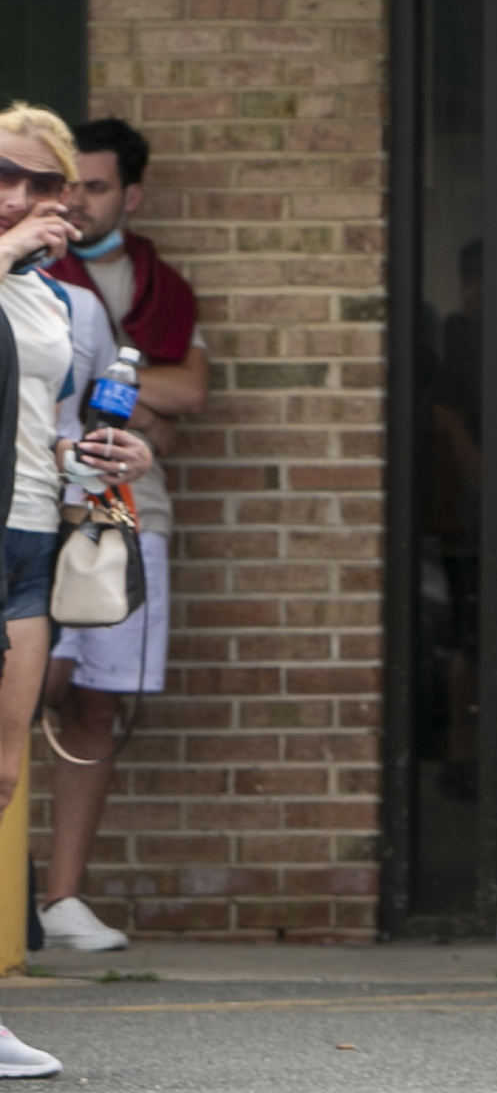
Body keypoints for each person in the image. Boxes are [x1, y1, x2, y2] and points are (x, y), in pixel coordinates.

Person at [0, 105, 153, 1079]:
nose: (20, 198)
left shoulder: (53, 300)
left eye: (39, 184)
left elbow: (42, 419)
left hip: (26, 541)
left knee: (3, 776)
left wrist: (100, 455)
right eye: (2, 177)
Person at [36, 116, 206, 955]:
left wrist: (136, 418)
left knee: (94, 698)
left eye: (82, 186)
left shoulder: (128, 293)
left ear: (129, 194)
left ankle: (60, 898)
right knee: (34, 682)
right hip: (29, 508)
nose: (64, 203)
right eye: (50, 186)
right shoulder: (39, 279)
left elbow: (173, 400)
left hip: (103, 510)